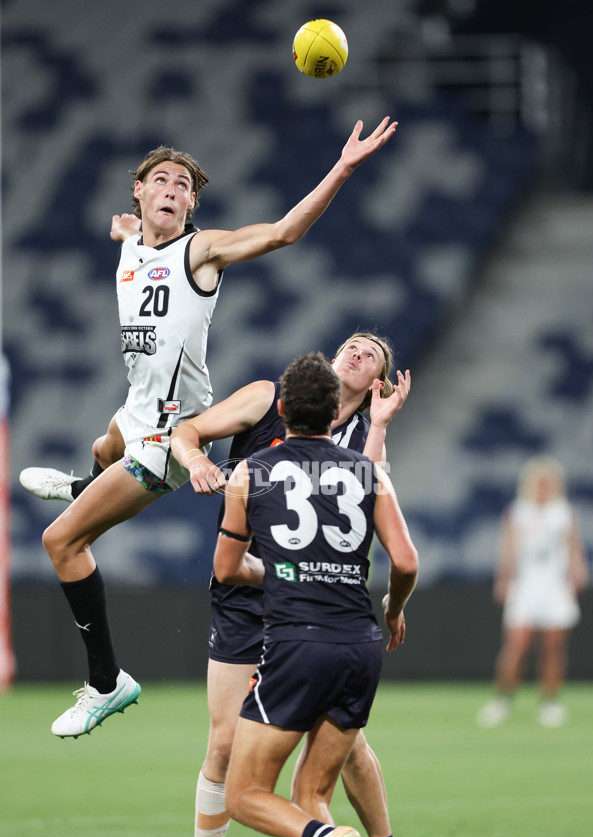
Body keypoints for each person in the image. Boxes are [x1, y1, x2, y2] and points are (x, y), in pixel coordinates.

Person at [17, 117, 398, 738]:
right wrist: (126, 234)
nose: (171, 188)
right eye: (160, 180)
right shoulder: (133, 243)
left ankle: (107, 681)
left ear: (193, 204)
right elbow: (132, 238)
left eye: (184, 185)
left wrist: (344, 167)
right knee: (100, 444)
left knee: (60, 543)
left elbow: (281, 233)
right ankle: (86, 479)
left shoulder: (200, 251)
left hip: (171, 436)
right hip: (133, 414)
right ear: (136, 193)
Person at [168, 332, 423, 837]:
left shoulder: (365, 440)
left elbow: (375, 495)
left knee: (344, 752)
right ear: (329, 368)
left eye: (372, 356)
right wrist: (197, 458)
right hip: (254, 597)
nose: (357, 354)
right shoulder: (267, 395)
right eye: (351, 346)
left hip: (306, 598)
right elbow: (187, 431)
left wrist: (380, 426)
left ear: (376, 385)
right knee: (227, 743)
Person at [476, 455, 588, 729]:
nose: (542, 488)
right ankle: (503, 698)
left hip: (555, 586)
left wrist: (578, 572)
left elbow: (573, 547)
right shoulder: (518, 512)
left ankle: (549, 702)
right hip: (526, 585)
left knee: (553, 646)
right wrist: (504, 579)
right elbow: (508, 549)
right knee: (517, 645)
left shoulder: (563, 512)